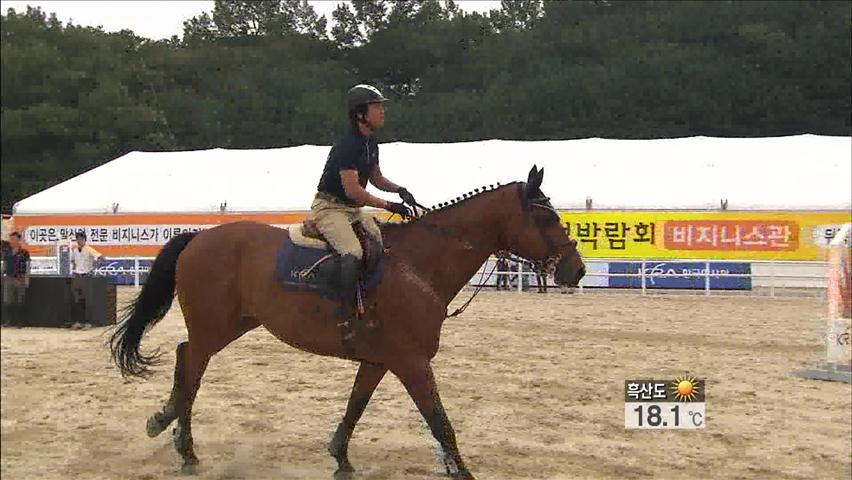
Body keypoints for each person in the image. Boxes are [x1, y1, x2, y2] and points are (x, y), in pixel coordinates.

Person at [312, 84, 417, 334]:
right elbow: (353, 191)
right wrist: (389, 205)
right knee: (353, 253)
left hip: (352, 210)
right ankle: (342, 315)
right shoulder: (348, 145)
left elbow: (377, 178)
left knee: (381, 245)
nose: (383, 111)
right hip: (331, 208)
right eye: (377, 106)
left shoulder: (370, 142)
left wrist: (399, 190)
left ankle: (370, 301)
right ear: (360, 114)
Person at [69, 231, 103, 329]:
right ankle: (79, 321)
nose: (79, 241)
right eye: (78, 239)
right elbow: (72, 260)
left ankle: (88, 322)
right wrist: (75, 269)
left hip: (86, 275)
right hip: (77, 275)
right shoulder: (74, 250)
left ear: (84, 239)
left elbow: (101, 257)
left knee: (87, 300)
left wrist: (93, 267)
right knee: (77, 300)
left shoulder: (89, 249)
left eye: (81, 239)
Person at [2, 232, 30, 326]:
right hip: (9, 278)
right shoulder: (7, 252)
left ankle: (20, 322)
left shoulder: (24, 252)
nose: (12, 241)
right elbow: (4, 264)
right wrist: (3, 275)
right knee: (7, 301)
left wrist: (27, 279)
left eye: (14, 239)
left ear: (19, 240)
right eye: (11, 239)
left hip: (20, 278)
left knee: (20, 300)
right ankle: (8, 320)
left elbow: (27, 266)